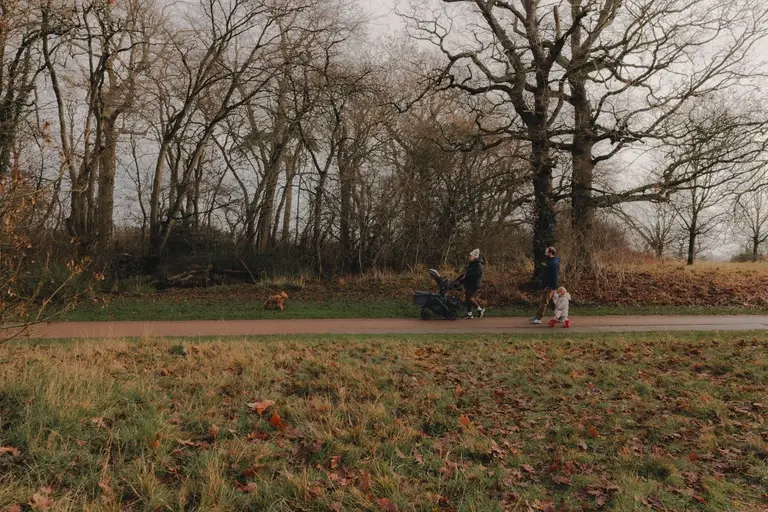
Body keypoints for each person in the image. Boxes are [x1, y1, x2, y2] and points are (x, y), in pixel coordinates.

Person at [530, 246, 560, 324]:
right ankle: (560, 316)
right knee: (552, 303)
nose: (545, 253)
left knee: (544, 302)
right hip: (549, 286)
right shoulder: (550, 261)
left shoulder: (554, 263)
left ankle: (538, 318)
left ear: (550, 253)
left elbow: (554, 276)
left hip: (550, 286)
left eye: (546, 252)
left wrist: (551, 287)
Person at [458, 248, 485, 319]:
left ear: (475, 256)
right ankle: (469, 314)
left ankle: (480, 309)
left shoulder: (478, 265)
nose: (469, 257)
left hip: (474, 284)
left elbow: (474, 274)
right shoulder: (472, 264)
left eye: (470, 256)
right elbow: (468, 273)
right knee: (467, 298)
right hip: (469, 283)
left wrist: (465, 277)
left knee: (469, 298)